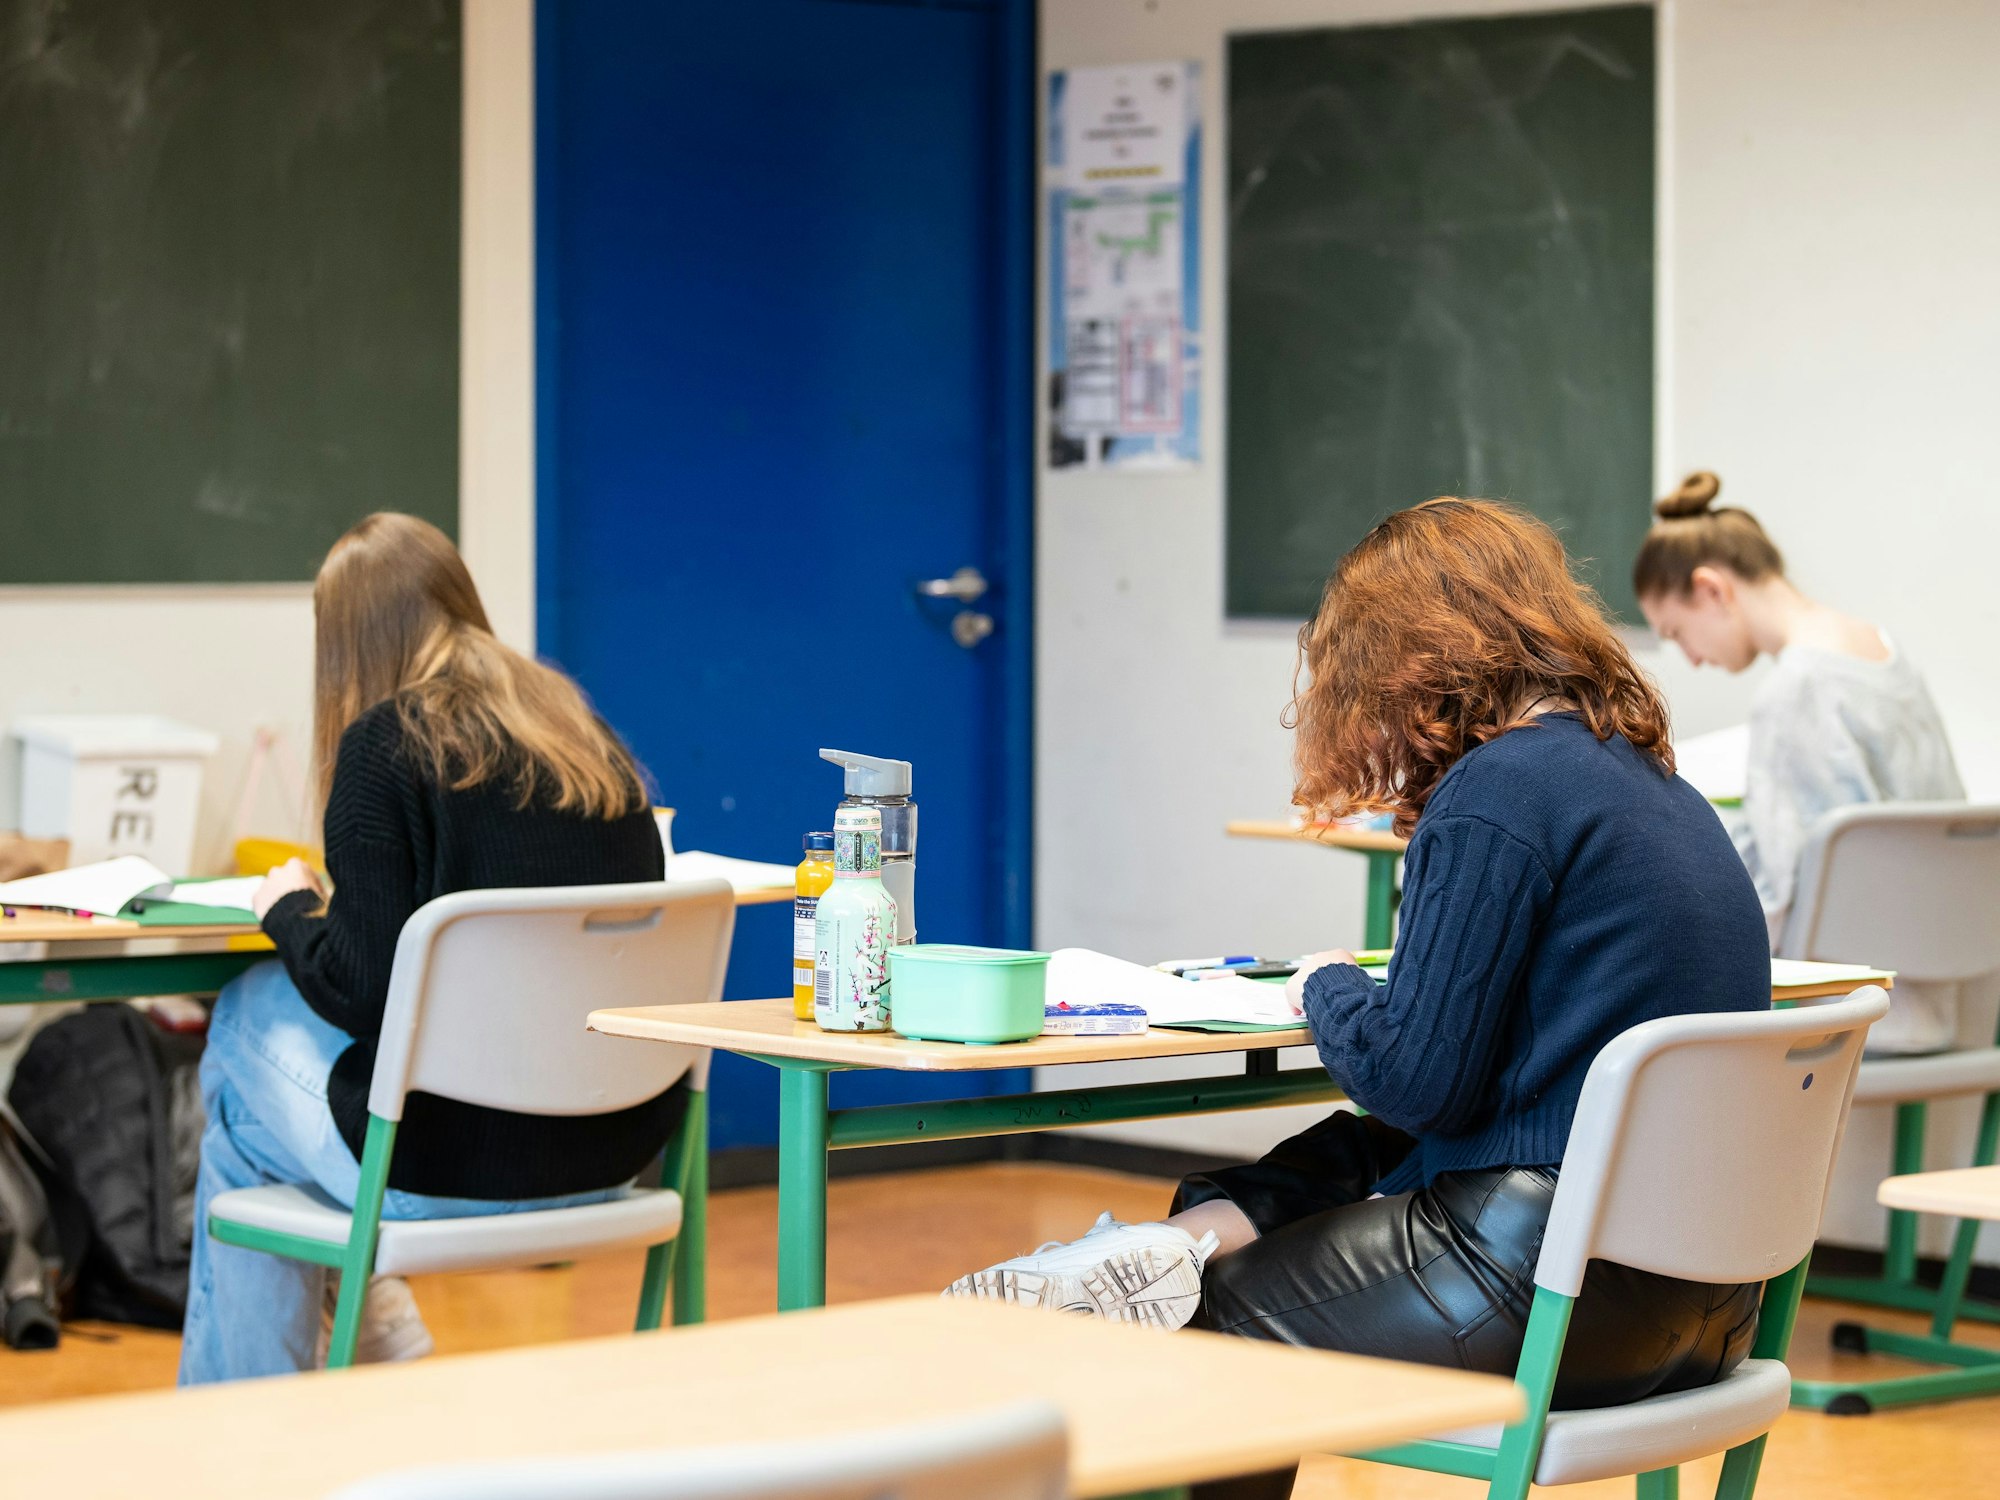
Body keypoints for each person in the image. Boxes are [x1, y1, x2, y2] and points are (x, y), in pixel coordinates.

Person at [947, 499, 1771, 1499]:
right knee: (1349, 1154)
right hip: (1710, 1305)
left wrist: (1327, 983)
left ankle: (1182, 1257)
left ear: (1405, 658)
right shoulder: (1655, 787)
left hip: (1547, 1287)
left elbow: (1417, 1083)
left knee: (1201, 1324)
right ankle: (1186, 1234)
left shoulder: (1500, 791)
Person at [179, 513, 676, 1385]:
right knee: (251, 1133)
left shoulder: (384, 749)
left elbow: (359, 993)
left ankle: (274, 1409)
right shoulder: (585, 739)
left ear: (345, 645)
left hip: (448, 1170)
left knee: (245, 1019)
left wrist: (288, 908)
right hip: (615, 1154)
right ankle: (376, 1335)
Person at [1635, 471, 1965, 1051]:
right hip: (1951, 990)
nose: (1691, 658)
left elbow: (1786, 900)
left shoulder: (1797, 691)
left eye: (1677, 631)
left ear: (1711, 590)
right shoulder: (1885, 652)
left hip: (1856, 1007)